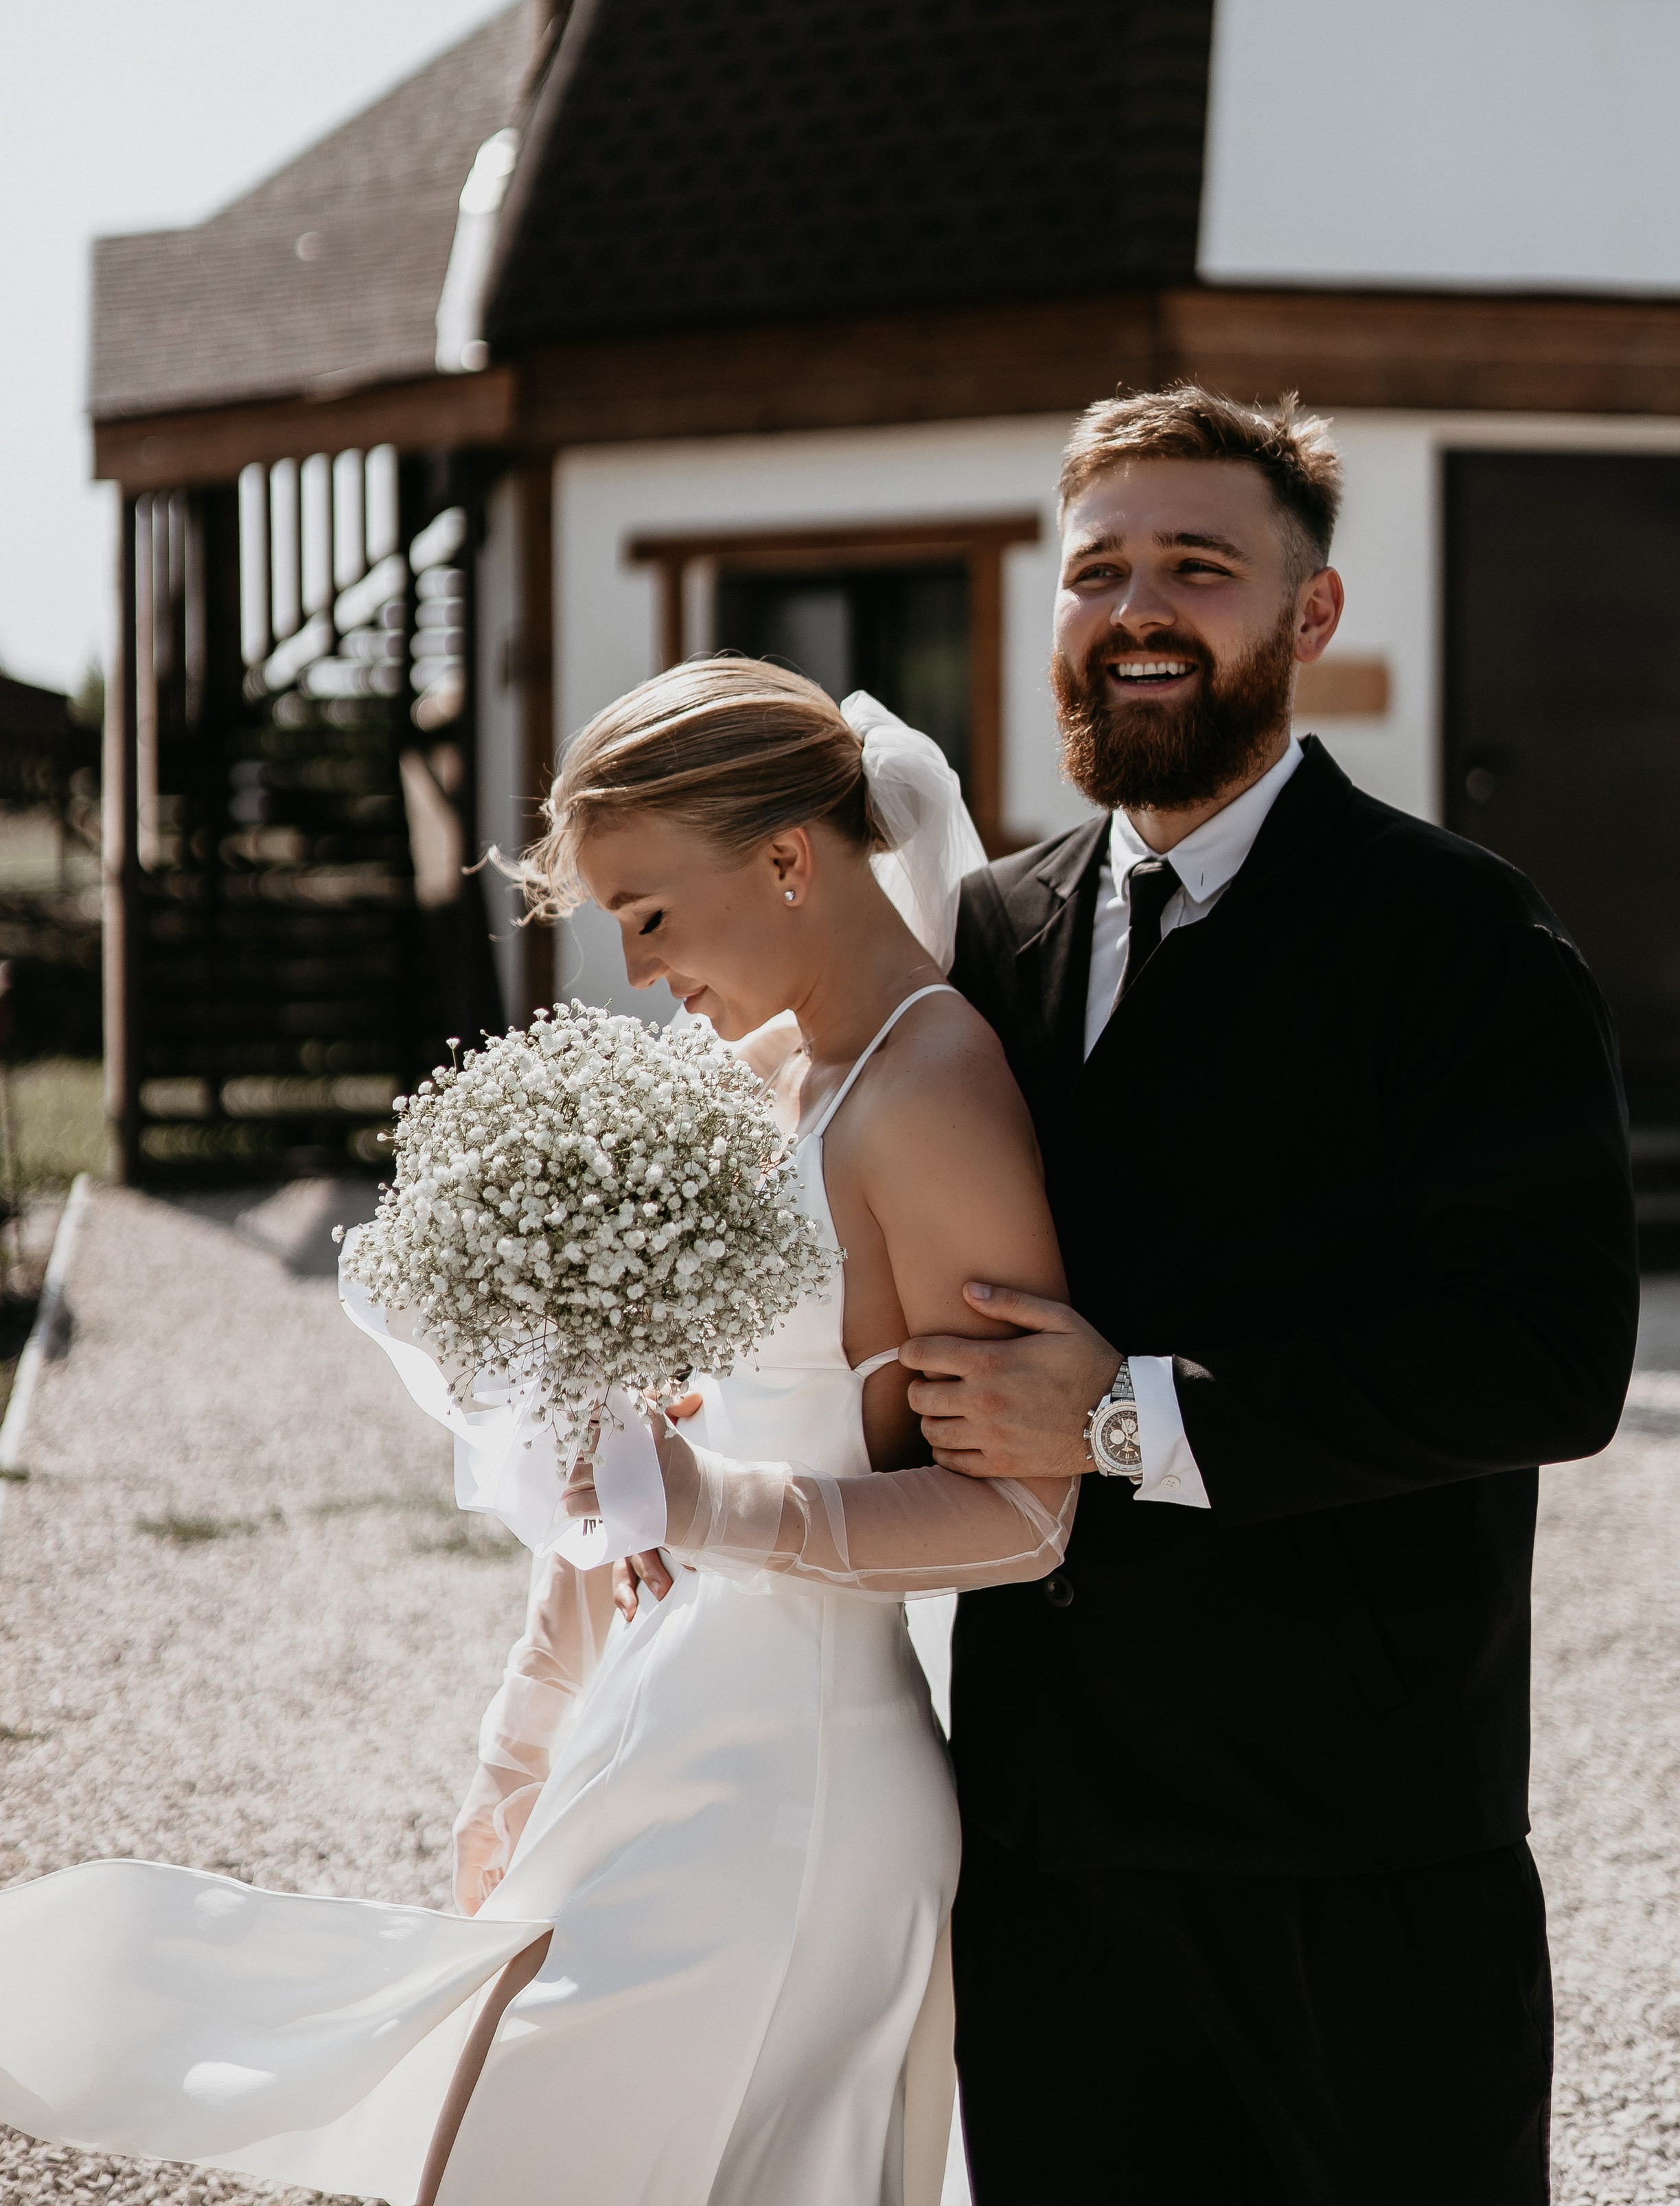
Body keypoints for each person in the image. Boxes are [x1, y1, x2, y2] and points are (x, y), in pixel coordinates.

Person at [0, 666, 1072, 2206]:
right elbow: (628, 1467)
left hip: (798, 1790)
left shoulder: (934, 1084)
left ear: (788, 859)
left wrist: (712, 1506)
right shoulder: (760, 1082)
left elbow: (1026, 1514)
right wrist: (520, 1739)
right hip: (659, 1722)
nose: (636, 972)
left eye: (648, 913)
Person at [900, 383, 1639, 2205]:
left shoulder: (1464, 940)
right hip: (1050, 1839)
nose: (1138, 609)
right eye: (1099, 572)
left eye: (1199, 567)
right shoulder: (992, 932)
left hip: (1354, 1847)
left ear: (1310, 614)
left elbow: (1550, 1361)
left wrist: (1131, 1416)